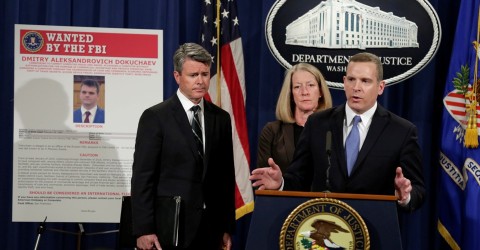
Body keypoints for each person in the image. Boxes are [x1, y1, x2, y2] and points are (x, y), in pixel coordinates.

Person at [250, 52, 426, 211]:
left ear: (380, 87)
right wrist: (281, 183)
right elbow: (298, 178)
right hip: (323, 229)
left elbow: (418, 191)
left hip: (374, 232)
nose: (356, 87)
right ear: (344, 82)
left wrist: (405, 196)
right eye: (351, 79)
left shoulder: (401, 131)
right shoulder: (318, 123)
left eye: (365, 81)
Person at [131, 43, 236, 250]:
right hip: (169, 227)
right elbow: (143, 177)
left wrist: (226, 226)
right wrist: (144, 229)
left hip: (210, 229)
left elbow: (225, 176)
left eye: (205, 74)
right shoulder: (155, 117)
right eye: (193, 75)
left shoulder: (221, 118)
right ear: (177, 76)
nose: (200, 81)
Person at [257, 63, 332, 173]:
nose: (304, 92)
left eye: (310, 85)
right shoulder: (272, 132)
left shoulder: (334, 129)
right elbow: (263, 180)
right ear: (291, 94)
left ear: (320, 91)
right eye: (297, 87)